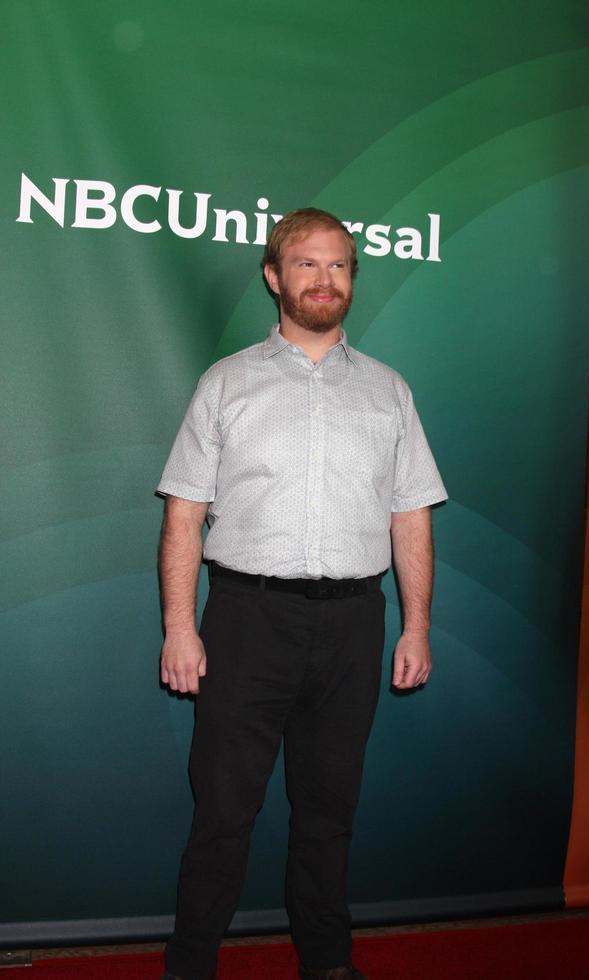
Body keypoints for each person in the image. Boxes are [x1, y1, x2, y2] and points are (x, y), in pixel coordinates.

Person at [157, 207, 447, 980]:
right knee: (222, 813)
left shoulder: (389, 392)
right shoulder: (226, 383)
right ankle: (190, 966)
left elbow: (410, 516)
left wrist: (415, 627)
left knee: (329, 816)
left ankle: (327, 961)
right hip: (247, 620)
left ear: (353, 278)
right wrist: (179, 628)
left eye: (340, 265)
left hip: (355, 625)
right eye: (308, 264)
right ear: (273, 276)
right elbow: (184, 514)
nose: (326, 279)